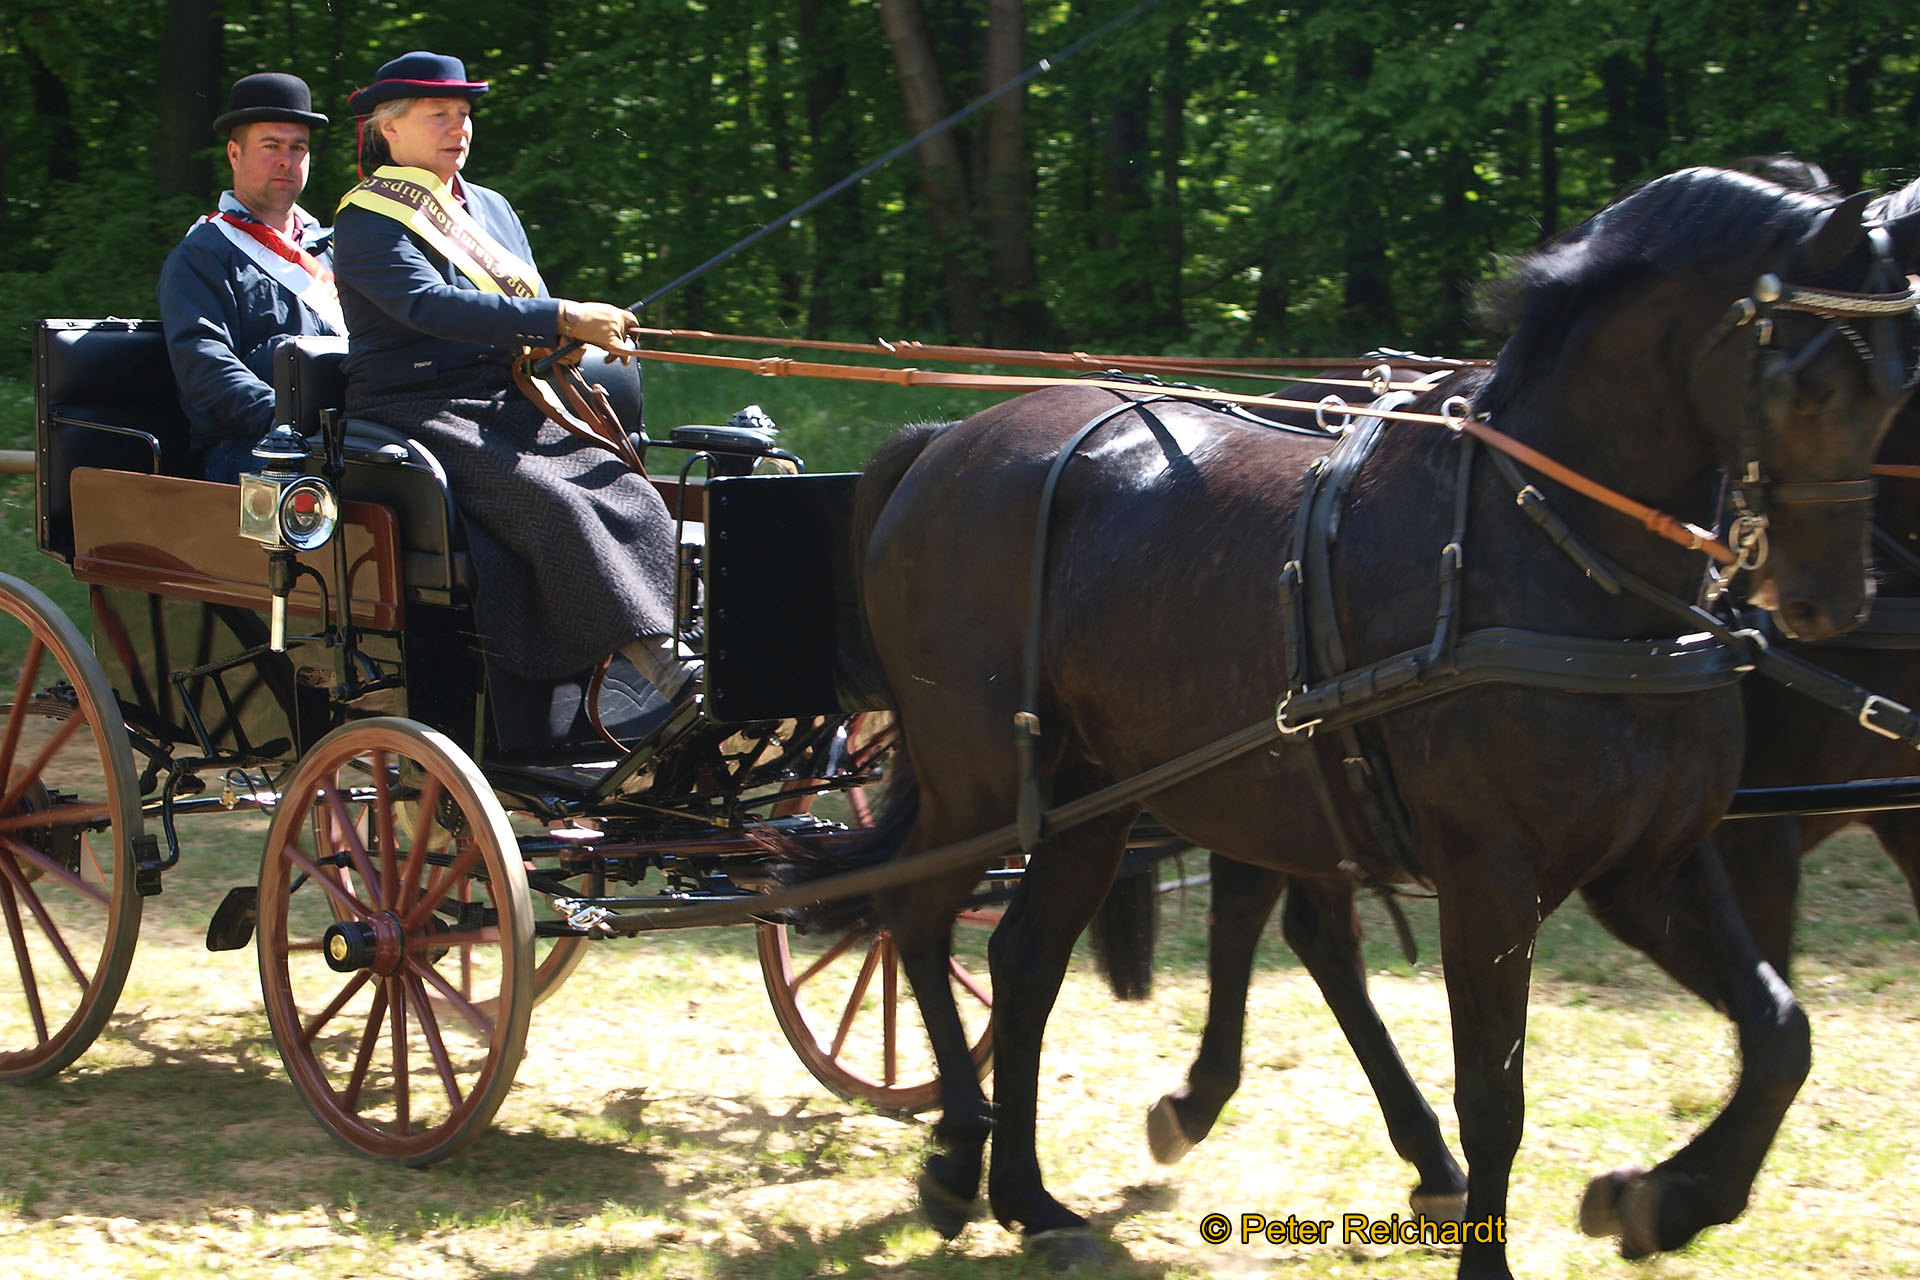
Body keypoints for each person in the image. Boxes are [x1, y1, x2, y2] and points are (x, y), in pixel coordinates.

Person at [330, 51, 697, 703]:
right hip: (417, 407)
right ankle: (665, 671)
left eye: (464, 114)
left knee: (628, 488)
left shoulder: (491, 208)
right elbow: (427, 306)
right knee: (554, 501)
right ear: (389, 129)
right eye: (438, 114)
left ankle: (686, 646)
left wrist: (568, 341)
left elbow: (522, 309)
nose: (458, 126)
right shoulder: (365, 219)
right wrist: (562, 316)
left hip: (511, 398)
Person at [158, 72, 342, 483]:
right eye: (271, 146)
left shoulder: (334, 251)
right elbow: (207, 369)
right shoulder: (202, 255)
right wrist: (290, 421)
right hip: (251, 446)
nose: (286, 160)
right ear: (234, 154)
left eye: (298, 148)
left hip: (343, 433)